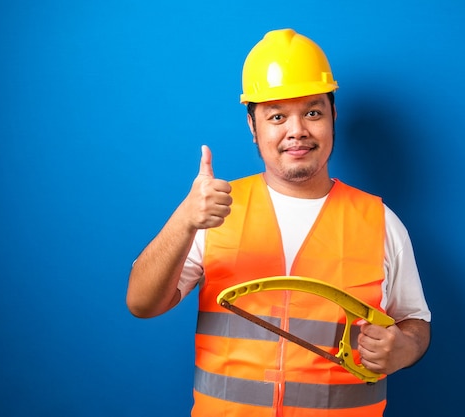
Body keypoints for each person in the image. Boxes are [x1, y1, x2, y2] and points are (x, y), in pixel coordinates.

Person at [126, 28, 431, 417]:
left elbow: (415, 322)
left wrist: (405, 349)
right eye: (276, 116)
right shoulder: (214, 213)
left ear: (333, 117)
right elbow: (141, 303)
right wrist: (184, 220)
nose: (297, 130)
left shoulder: (381, 222)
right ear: (253, 127)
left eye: (313, 112)